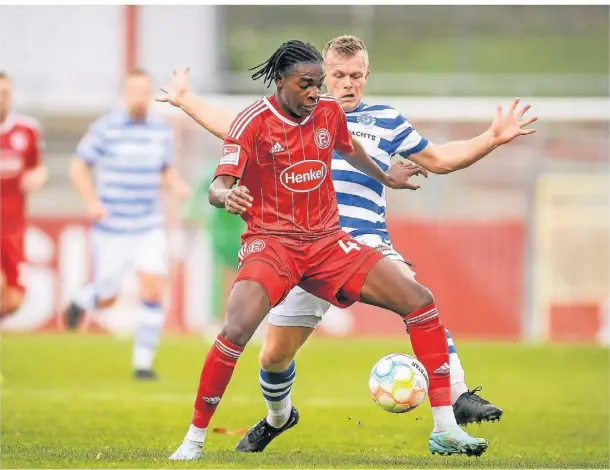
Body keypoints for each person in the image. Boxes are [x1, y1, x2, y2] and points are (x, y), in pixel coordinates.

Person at [158, 35, 537, 453]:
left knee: (414, 294)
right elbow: (238, 129)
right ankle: (278, 417)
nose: (346, 84)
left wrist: (491, 138)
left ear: (367, 76)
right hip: (287, 246)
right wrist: (187, 101)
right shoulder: (290, 113)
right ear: (319, 73)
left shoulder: (382, 120)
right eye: (338, 75)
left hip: (356, 241)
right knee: (273, 357)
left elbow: (441, 158)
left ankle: (454, 404)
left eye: (355, 76)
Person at [63, 69, 191, 380]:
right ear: (124, 93)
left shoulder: (160, 131)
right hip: (113, 228)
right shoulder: (105, 128)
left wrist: (176, 185)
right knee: (108, 298)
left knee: (152, 288)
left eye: (143, 91)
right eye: (133, 91)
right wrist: (92, 202)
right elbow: (78, 167)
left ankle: (143, 364)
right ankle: (84, 299)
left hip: (148, 224)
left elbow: (164, 169)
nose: (139, 97)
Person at [0, 71, 48, 318]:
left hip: (13, 229)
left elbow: (38, 166)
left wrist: (37, 176)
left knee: (14, 301)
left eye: (5, 93)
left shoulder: (26, 129)